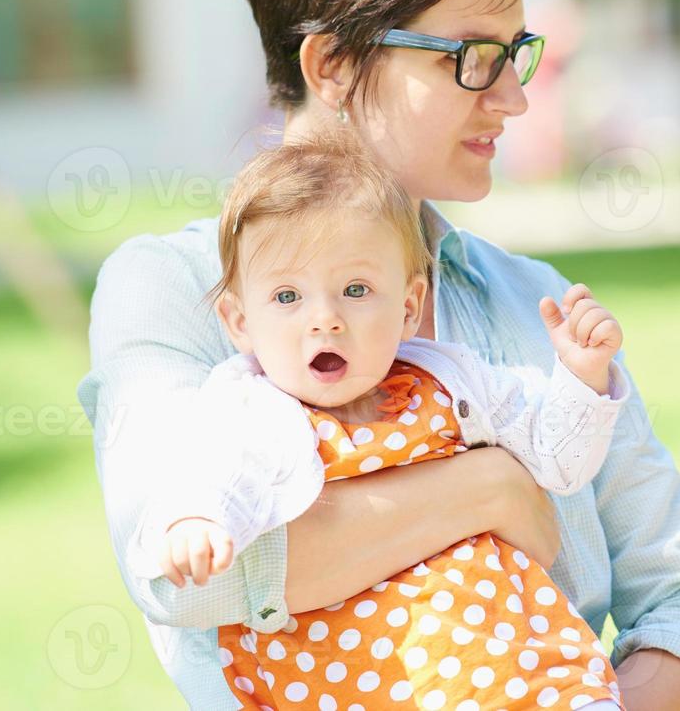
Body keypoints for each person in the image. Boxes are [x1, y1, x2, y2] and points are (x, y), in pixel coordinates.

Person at [78, 0, 680, 711]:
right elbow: (185, 578)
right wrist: (488, 487)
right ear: (334, 64)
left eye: (516, 54)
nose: (511, 97)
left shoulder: (537, 305)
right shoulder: (172, 290)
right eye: (473, 57)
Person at [147, 134, 631, 709]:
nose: (324, 320)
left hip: (514, 664)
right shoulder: (249, 411)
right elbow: (208, 473)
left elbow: (560, 460)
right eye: (286, 297)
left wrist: (581, 379)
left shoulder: (454, 382)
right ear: (239, 321)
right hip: (354, 679)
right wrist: (197, 520)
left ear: (407, 306)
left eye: (355, 290)